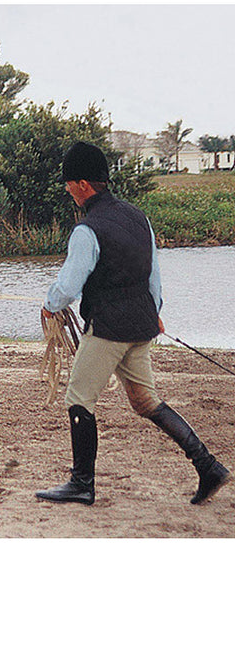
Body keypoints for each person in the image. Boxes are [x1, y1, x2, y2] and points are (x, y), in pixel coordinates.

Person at [36, 141, 230, 505]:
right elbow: (153, 276)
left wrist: (49, 306)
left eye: (68, 183)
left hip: (109, 328)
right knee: (146, 401)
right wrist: (154, 310)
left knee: (78, 396)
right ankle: (208, 466)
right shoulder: (139, 218)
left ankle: (82, 484)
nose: (66, 190)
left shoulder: (86, 230)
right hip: (141, 325)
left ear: (82, 184)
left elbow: (68, 286)